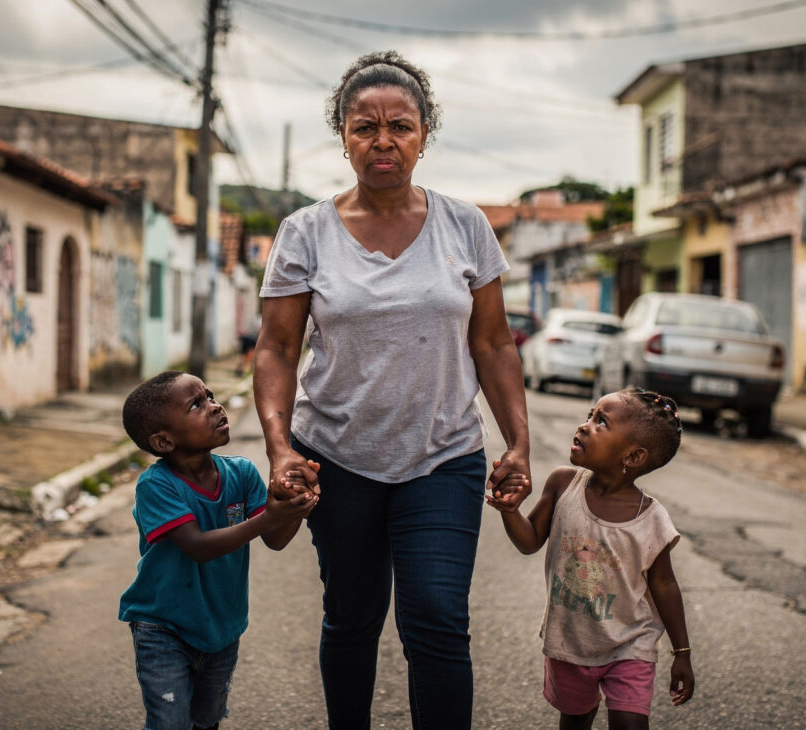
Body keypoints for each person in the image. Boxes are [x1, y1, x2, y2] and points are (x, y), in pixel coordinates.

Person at [253, 50, 531, 729]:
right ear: (343, 136)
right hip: (337, 457)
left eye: (400, 126)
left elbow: (493, 342)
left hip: (442, 456)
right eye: (364, 126)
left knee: (437, 617)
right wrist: (279, 447)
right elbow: (277, 348)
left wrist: (519, 441)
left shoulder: (466, 227)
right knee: (351, 617)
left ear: (425, 134)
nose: (383, 141)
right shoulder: (305, 232)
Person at [118, 371, 318, 730]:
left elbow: (275, 538)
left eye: (210, 396)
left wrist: (295, 505)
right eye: (197, 404)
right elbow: (196, 546)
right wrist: (269, 518)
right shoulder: (156, 485)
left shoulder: (241, 473)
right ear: (164, 442)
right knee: (169, 723)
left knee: (207, 719)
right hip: (162, 626)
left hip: (222, 626)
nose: (215, 407)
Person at [487, 388, 695, 730]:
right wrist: (510, 511)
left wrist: (682, 652)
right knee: (575, 720)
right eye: (589, 415)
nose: (584, 426)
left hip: (631, 644)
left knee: (630, 724)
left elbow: (665, 585)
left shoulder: (652, 519)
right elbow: (529, 541)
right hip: (571, 641)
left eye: (601, 422)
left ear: (633, 456)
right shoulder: (563, 484)